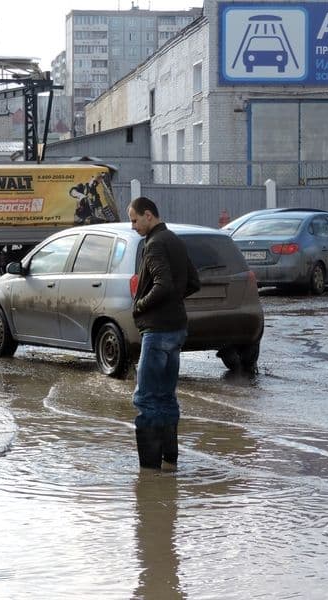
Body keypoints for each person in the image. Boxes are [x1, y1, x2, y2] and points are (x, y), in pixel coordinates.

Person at [128, 196, 200, 469]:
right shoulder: (174, 240)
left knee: (146, 398)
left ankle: (149, 472)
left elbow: (163, 284)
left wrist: (140, 306)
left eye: (135, 220)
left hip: (157, 332)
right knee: (166, 397)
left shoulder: (155, 244)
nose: (133, 226)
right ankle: (170, 463)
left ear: (149, 215)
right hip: (176, 329)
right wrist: (173, 303)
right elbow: (194, 281)